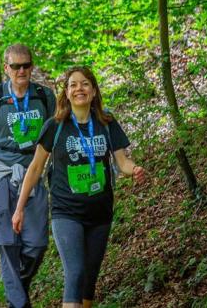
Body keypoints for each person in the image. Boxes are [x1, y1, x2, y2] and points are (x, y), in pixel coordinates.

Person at [12, 66, 145, 308]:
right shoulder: (56, 126)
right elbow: (35, 168)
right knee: (75, 272)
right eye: (73, 84)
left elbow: (122, 161)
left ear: (93, 91)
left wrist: (134, 169)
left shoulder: (106, 123)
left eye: (84, 84)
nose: (79, 89)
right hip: (66, 212)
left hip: (100, 213)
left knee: (89, 278)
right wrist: (19, 208)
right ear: (67, 92)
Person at [0, 44, 56, 308]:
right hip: (0, 168)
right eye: (16, 66)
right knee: (7, 240)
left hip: (33, 168)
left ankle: (17, 288)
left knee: (37, 244)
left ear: (32, 66)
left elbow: (56, 133)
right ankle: (19, 303)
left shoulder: (44, 96)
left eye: (26, 65)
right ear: (6, 68)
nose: (22, 71)